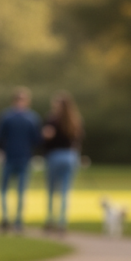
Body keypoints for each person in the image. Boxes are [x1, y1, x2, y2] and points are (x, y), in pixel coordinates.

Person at [0, 87, 42, 232]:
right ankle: (17, 220)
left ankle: (6, 218)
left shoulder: (6, 116)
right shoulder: (32, 118)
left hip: (10, 157)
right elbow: (37, 140)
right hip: (23, 157)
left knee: (4, 190)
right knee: (20, 191)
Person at [42, 91, 83, 233]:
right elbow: (78, 140)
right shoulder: (74, 120)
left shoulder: (52, 120)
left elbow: (46, 138)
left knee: (52, 190)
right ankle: (62, 221)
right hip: (71, 156)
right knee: (65, 191)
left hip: (55, 156)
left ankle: (50, 219)